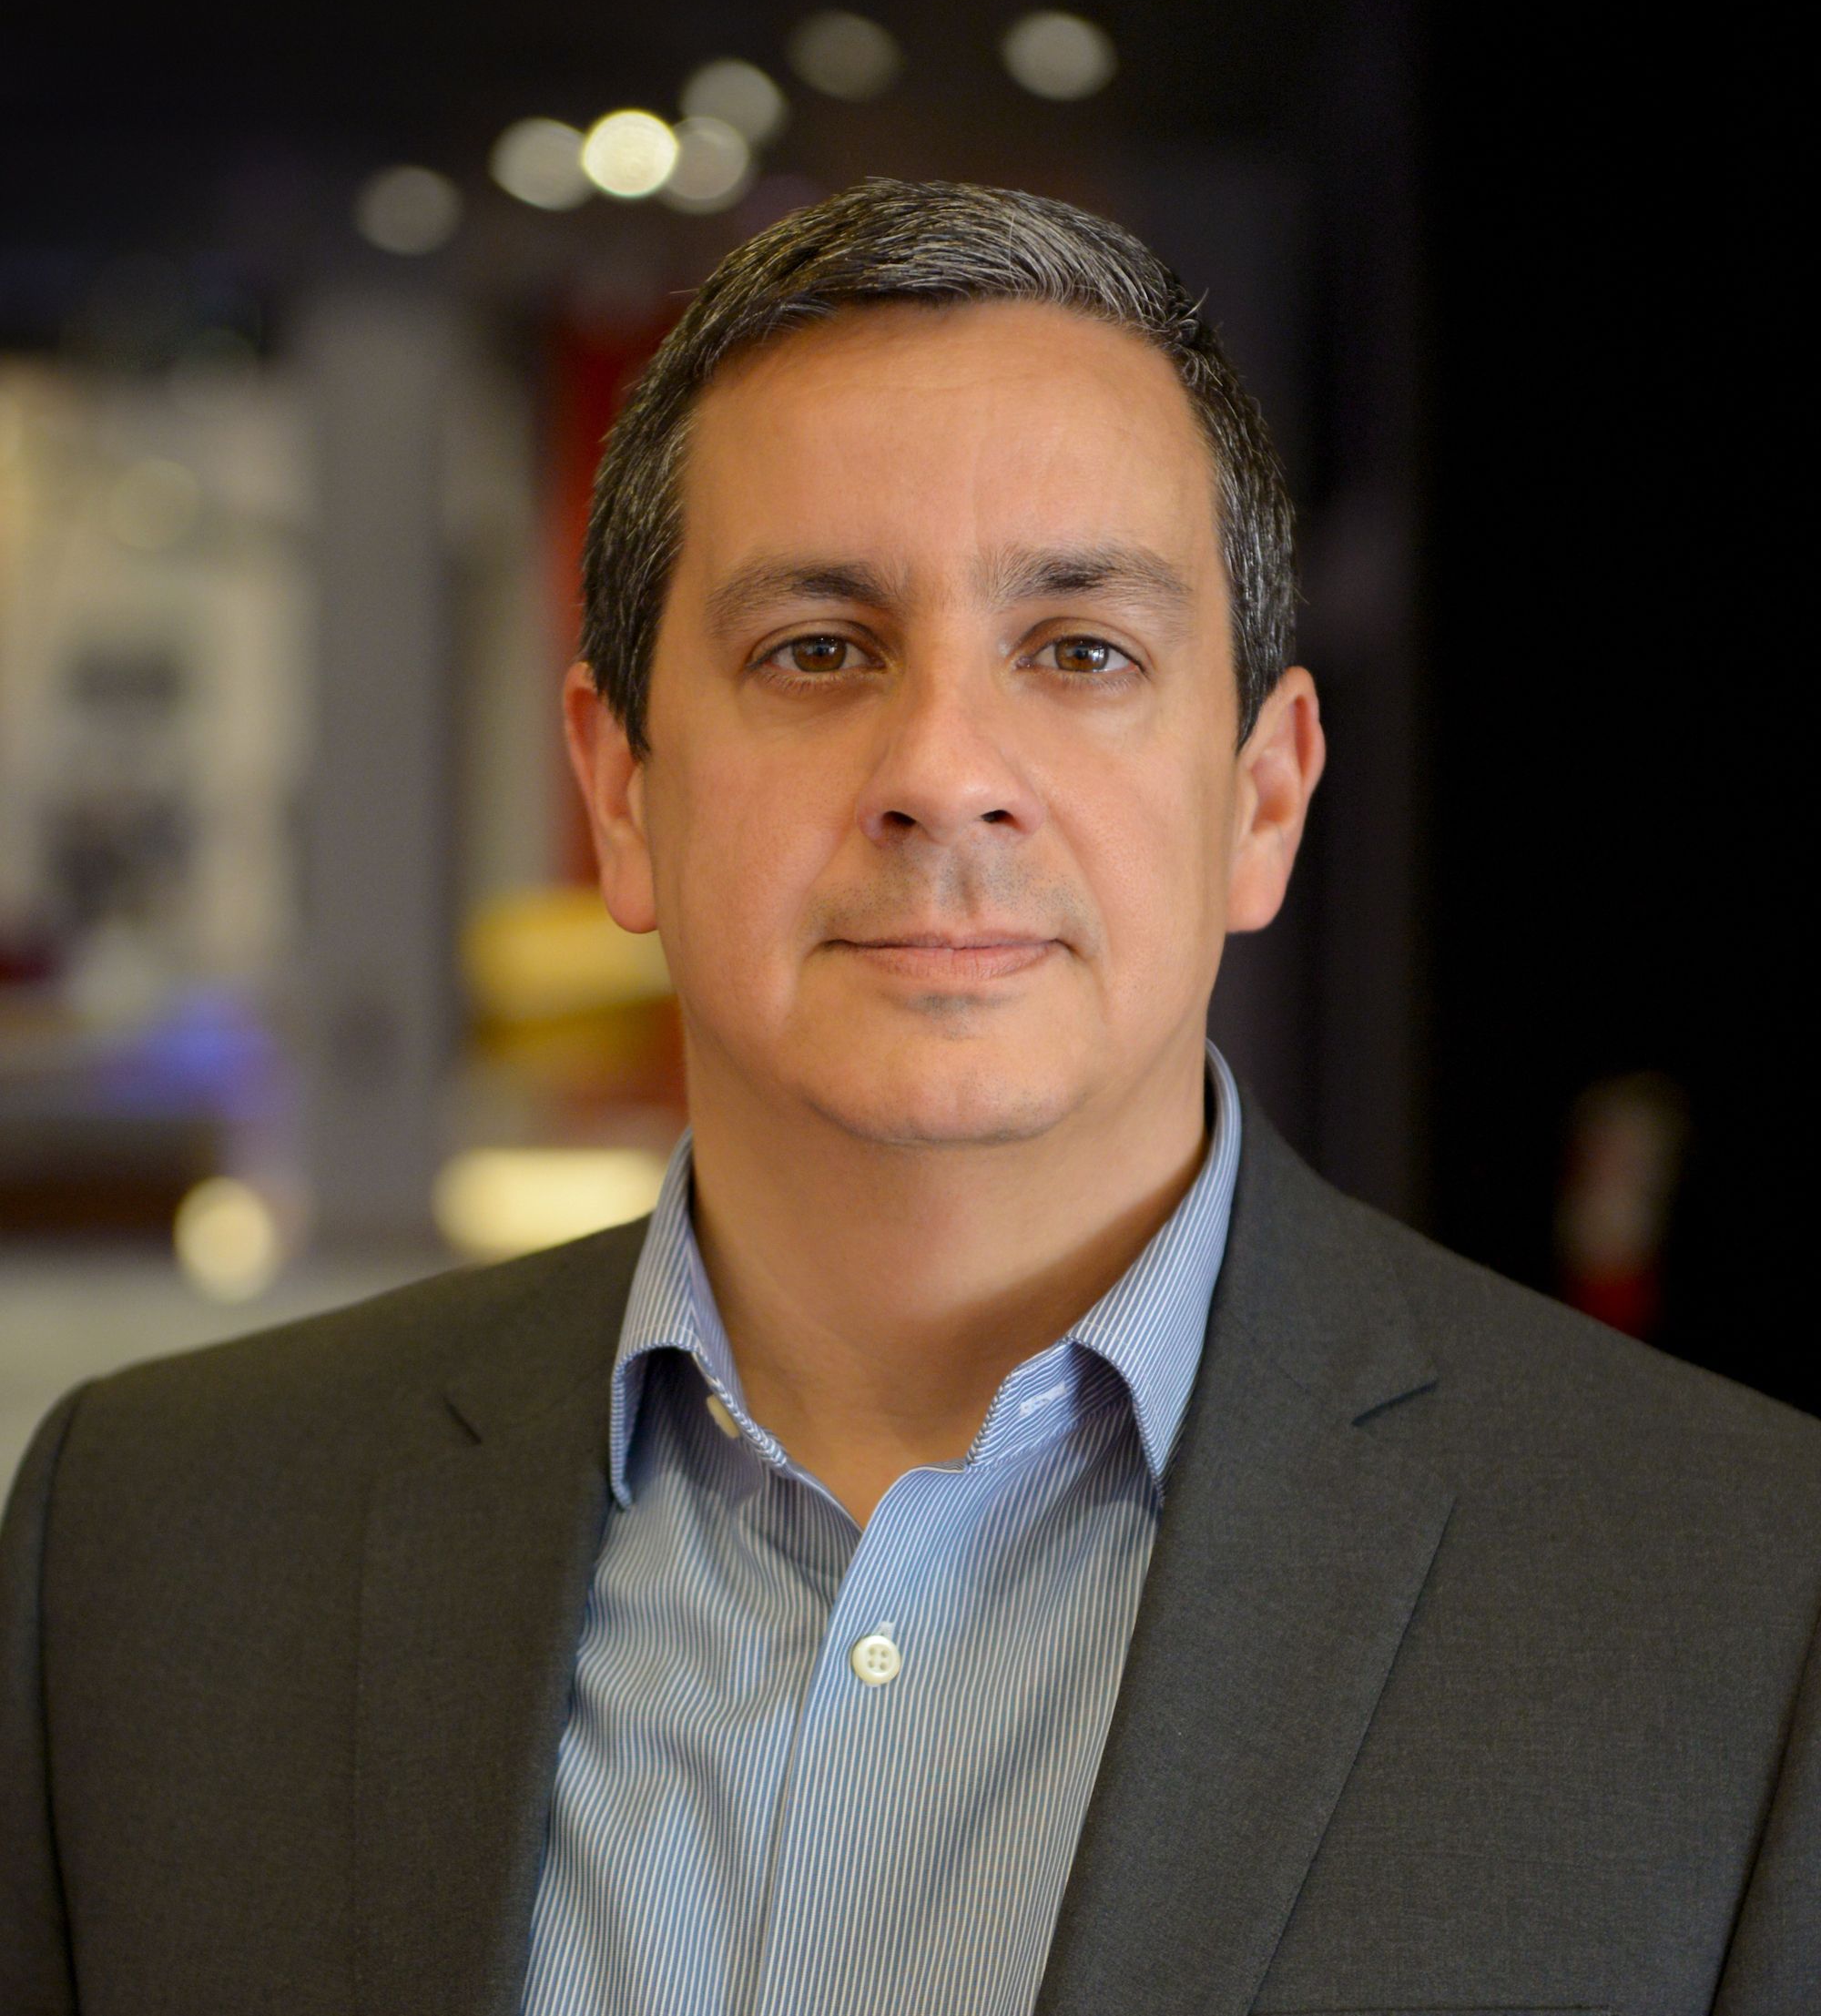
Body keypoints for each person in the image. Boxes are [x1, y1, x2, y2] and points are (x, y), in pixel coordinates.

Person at [1, 180, 1815, 2016]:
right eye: (818, 648)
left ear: (1263, 798)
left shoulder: (1739, 1600)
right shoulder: (149, 1555)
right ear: (620, 792)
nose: (943, 772)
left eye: (1081, 649)